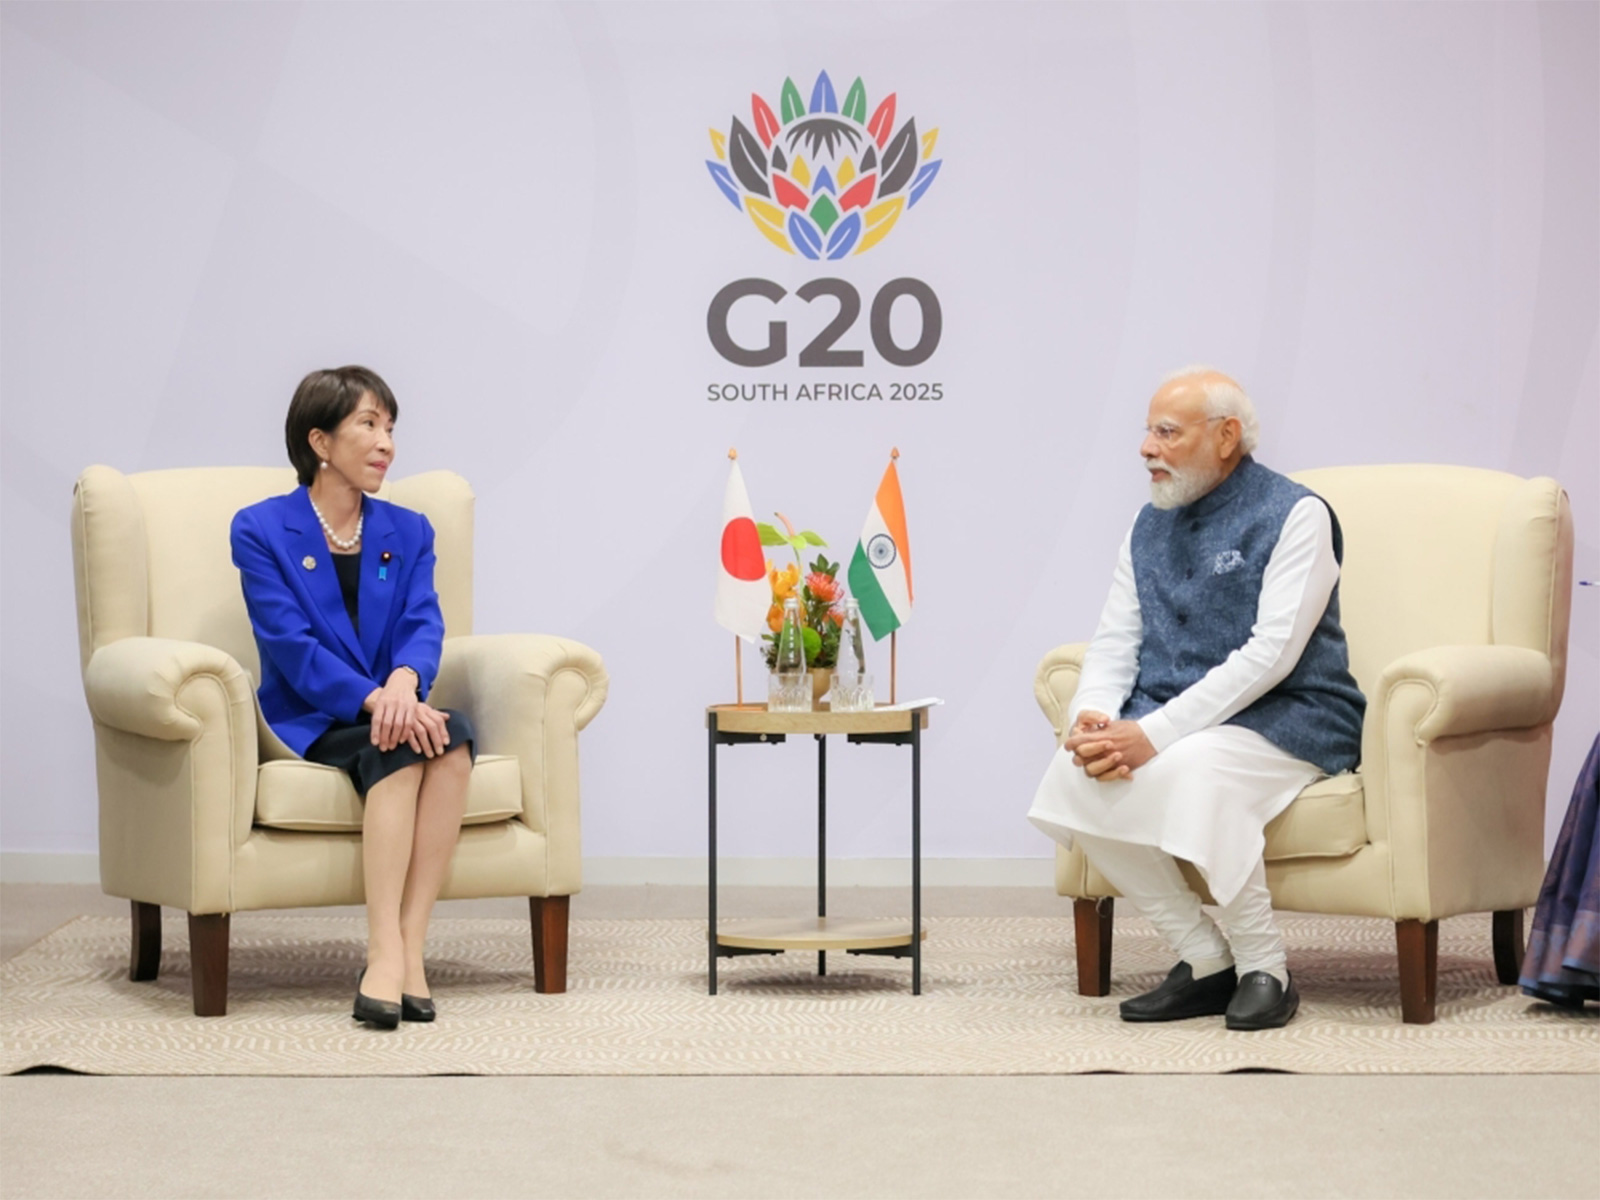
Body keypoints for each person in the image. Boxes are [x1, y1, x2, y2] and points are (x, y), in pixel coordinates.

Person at [1028, 366, 1365, 1031]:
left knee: (1195, 767)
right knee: (1075, 773)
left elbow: (1272, 654)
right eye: (1147, 432)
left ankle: (1266, 968)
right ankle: (1204, 958)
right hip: (1174, 715)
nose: (1146, 448)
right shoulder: (1145, 525)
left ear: (1226, 437)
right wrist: (1093, 716)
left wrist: (1153, 734)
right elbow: (1116, 640)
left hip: (1291, 715)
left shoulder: (1297, 515)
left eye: (1166, 432)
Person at [231, 366, 475, 1029]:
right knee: (400, 746)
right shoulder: (260, 528)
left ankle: (409, 945)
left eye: (390, 427)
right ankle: (382, 950)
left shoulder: (410, 529)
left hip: (393, 701)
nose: (386, 442)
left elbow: (423, 623)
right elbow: (291, 646)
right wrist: (375, 700)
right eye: (368, 424)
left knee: (453, 741)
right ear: (320, 441)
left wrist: (404, 682)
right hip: (313, 712)